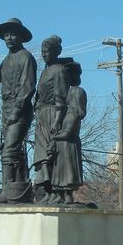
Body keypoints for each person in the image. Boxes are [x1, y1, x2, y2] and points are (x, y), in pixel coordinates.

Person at [0, 18, 37, 201]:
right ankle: (17, 187)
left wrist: (16, 110)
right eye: (6, 35)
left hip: (20, 109)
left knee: (9, 149)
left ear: (21, 37)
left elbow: (28, 87)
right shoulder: (7, 59)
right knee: (13, 151)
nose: (8, 38)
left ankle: (8, 190)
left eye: (12, 34)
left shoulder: (26, 58)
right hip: (6, 107)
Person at [33, 35, 70, 203]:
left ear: (56, 52)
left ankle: (56, 192)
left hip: (52, 115)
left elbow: (62, 100)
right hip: (41, 117)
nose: (44, 54)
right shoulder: (45, 71)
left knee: (51, 154)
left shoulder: (59, 70)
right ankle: (44, 190)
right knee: (41, 156)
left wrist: (56, 121)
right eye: (42, 51)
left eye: (47, 51)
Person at [50, 62, 87, 204]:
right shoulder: (67, 93)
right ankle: (59, 194)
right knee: (59, 168)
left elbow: (77, 113)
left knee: (69, 168)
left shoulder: (77, 92)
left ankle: (68, 195)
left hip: (69, 139)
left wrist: (65, 131)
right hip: (62, 139)